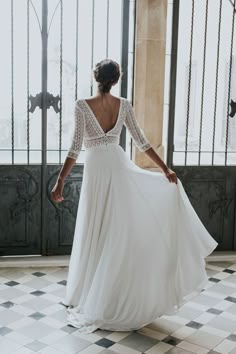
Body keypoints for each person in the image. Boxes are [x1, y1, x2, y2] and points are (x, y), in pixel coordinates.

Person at [51, 59, 218, 334]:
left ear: (96, 78)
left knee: (96, 227)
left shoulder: (82, 105)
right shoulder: (124, 104)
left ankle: (90, 293)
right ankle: (108, 290)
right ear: (116, 80)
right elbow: (141, 141)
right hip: (117, 166)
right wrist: (165, 168)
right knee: (115, 230)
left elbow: (75, 147)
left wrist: (60, 181)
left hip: (96, 169)